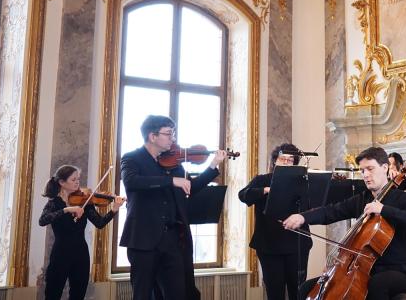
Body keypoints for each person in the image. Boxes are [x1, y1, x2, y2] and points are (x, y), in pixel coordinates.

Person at [284, 146, 406, 300]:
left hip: (397, 270)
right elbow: (332, 211)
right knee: (306, 288)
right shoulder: (362, 199)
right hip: (361, 269)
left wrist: (384, 209)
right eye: (362, 170)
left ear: (385, 167)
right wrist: (303, 217)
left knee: (377, 284)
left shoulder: (402, 198)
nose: (365, 175)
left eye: (370, 169)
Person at [120, 115, 229, 300]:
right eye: (169, 134)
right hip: (143, 239)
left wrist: (213, 165)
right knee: (143, 293)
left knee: (177, 293)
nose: (173, 138)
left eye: (173, 134)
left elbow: (190, 188)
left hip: (172, 239)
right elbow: (131, 182)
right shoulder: (132, 158)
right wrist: (170, 181)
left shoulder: (173, 164)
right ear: (152, 136)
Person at [238, 144, 312, 300]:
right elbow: (243, 195)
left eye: (290, 160)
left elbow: (314, 205)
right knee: (274, 292)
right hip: (269, 245)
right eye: (282, 159)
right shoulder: (262, 179)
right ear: (274, 161)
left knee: (297, 292)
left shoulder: (302, 182)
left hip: (297, 244)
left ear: (295, 163)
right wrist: (265, 190)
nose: (286, 162)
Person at [39, 165, 124, 300]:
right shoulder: (54, 203)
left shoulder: (85, 201)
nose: (77, 182)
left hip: (81, 254)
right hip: (60, 254)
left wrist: (114, 209)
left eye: (78, 179)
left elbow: (100, 223)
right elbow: (42, 220)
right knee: (52, 294)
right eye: (73, 180)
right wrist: (67, 210)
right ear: (62, 182)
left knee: (78, 295)